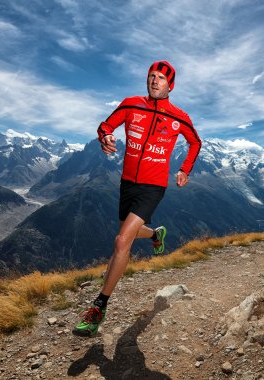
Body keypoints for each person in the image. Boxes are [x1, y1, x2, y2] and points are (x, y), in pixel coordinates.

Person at [73, 60, 201, 337]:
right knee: (126, 233)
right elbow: (106, 126)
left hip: (153, 187)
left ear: (171, 85)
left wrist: (184, 169)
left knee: (121, 241)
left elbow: (196, 142)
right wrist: (104, 136)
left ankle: (99, 307)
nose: (154, 81)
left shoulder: (180, 117)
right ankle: (155, 235)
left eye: (160, 78)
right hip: (127, 183)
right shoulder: (131, 104)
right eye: (151, 76)